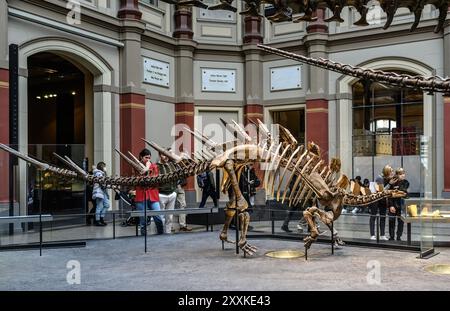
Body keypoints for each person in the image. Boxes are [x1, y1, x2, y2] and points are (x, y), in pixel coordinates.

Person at [135, 149, 164, 235]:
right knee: (143, 220)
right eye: (146, 157)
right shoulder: (136, 166)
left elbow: (155, 179)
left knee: (158, 217)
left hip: (153, 195)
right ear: (141, 157)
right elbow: (137, 179)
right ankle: (143, 238)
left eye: (149, 158)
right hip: (141, 195)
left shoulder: (154, 166)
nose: (148, 159)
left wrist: (148, 168)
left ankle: (161, 234)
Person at [157, 148, 178, 234]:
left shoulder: (172, 165)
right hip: (161, 194)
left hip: (172, 193)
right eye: (163, 154)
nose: (165, 157)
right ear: (160, 155)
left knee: (169, 216)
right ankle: (160, 233)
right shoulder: (156, 166)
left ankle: (168, 233)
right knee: (160, 216)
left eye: (166, 154)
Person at [388, 168, 409, 241]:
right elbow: (389, 195)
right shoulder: (392, 183)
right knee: (391, 221)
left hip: (401, 205)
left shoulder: (406, 182)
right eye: (400, 174)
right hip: (393, 205)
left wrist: (396, 192)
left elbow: (403, 192)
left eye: (403, 173)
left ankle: (398, 237)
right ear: (397, 175)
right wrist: (391, 206)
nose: (403, 175)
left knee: (401, 222)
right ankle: (391, 237)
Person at [92, 162, 110, 226]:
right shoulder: (98, 173)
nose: (105, 168)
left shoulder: (103, 173)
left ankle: (101, 218)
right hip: (99, 191)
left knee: (107, 205)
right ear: (102, 167)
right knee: (99, 206)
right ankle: (97, 220)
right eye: (104, 166)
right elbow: (102, 183)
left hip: (103, 191)